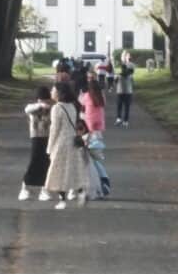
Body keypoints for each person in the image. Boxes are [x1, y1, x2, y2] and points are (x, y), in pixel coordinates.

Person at [43, 79, 83, 209]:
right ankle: (74, 192)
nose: (51, 91)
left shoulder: (57, 108)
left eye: (53, 90)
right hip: (72, 140)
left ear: (59, 92)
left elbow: (54, 129)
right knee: (70, 168)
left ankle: (62, 199)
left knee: (58, 169)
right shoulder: (72, 106)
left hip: (61, 142)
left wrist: (49, 147)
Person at [78, 70, 112, 198]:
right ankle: (103, 182)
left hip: (88, 131)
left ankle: (94, 186)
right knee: (97, 161)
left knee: (90, 162)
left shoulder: (86, 96)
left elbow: (81, 107)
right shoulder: (101, 97)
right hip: (98, 132)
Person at [19, 84, 52, 200]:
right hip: (36, 137)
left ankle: (44, 189)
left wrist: (47, 106)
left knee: (46, 163)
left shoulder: (51, 108)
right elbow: (28, 109)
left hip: (48, 137)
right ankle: (25, 187)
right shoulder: (32, 107)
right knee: (34, 161)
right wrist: (41, 105)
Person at [114, 51, 136, 127]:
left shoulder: (119, 74)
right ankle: (125, 121)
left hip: (121, 91)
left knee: (120, 106)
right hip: (127, 91)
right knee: (126, 106)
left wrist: (117, 77)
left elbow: (115, 81)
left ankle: (119, 118)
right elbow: (133, 81)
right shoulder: (129, 75)